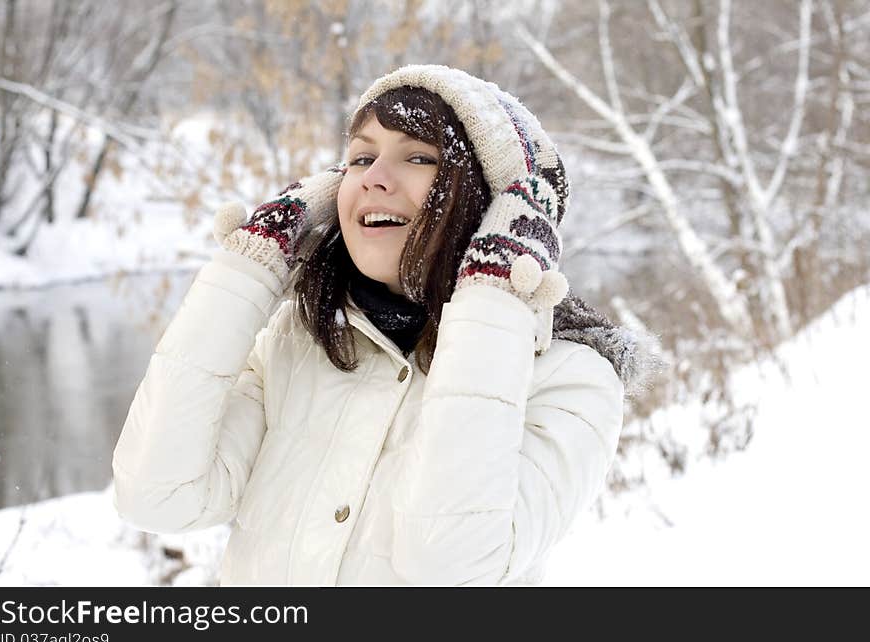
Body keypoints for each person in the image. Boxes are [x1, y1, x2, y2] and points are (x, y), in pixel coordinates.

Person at [112, 64, 658, 586]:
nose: (374, 178)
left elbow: (450, 563)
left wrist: (491, 293)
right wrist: (252, 264)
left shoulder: (572, 380)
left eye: (418, 157)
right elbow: (157, 495)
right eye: (359, 158)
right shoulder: (300, 343)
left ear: (491, 205)